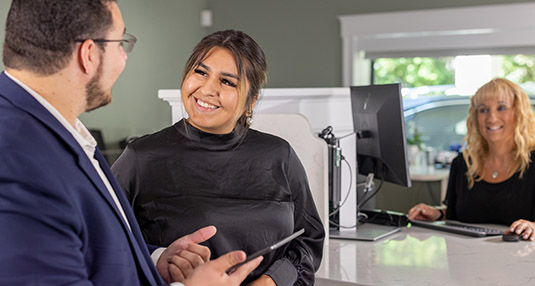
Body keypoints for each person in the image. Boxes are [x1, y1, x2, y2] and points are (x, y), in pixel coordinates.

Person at [0, 0, 262, 285]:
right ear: (88, 54)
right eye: (120, 44)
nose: (124, 58)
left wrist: (154, 259)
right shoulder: (16, 160)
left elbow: (84, 245)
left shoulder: (51, 129)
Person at [111, 29, 325, 286]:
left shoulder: (280, 155)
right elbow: (105, 241)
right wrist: (160, 259)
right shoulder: (141, 157)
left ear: (250, 102)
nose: (207, 89)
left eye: (228, 82)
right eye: (200, 72)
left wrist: (270, 282)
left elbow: (308, 238)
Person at [408, 78, 535, 240]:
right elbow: (458, 216)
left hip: (522, 259)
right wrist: (438, 214)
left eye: (501, 108)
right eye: (483, 110)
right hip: (467, 259)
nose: (491, 118)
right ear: (475, 117)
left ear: (518, 113)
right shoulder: (462, 164)